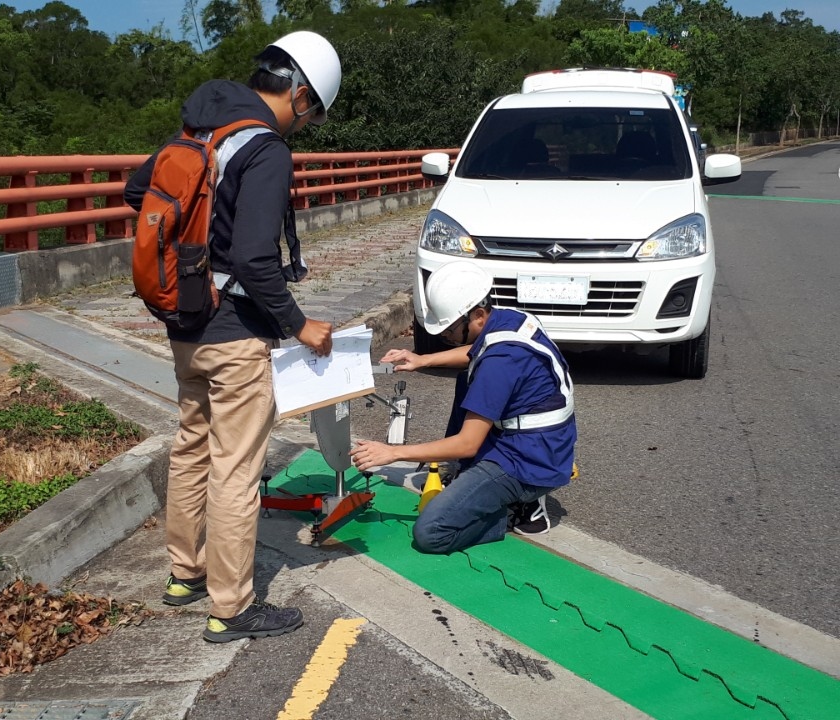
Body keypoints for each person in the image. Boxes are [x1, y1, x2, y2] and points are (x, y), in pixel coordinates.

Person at [124, 31, 341, 642]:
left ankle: (184, 574)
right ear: (300, 96)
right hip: (234, 333)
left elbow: (137, 191)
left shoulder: (196, 132)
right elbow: (253, 258)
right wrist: (300, 326)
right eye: (314, 112)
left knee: (192, 446)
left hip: (184, 325)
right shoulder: (265, 148)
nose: (307, 124)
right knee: (235, 468)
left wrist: (193, 244)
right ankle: (232, 607)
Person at [350, 261, 576, 554]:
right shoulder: (508, 319)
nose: (443, 335)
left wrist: (392, 453)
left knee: (430, 533)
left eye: (449, 328)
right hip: (542, 442)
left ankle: (519, 509)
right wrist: (422, 360)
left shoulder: (499, 364)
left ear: (478, 315)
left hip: (529, 460)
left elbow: (468, 443)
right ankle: (484, 487)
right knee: (466, 381)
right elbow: (475, 350)